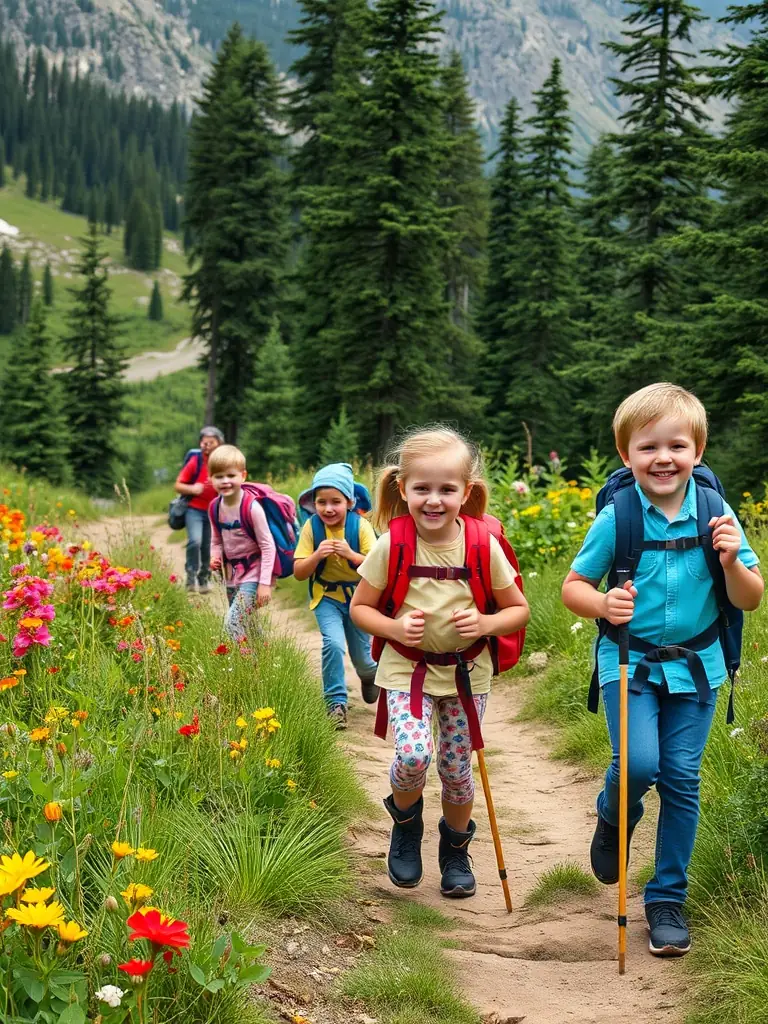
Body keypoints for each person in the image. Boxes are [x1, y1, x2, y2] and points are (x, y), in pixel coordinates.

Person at [562, 383, 763, 958]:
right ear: (627, 455)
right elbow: (573, 587)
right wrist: (602, 605)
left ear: (697, 450)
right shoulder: (618, 517)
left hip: (699, 666)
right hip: (627, 660)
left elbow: (749, 598)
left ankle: (666, 898)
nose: (664, 457)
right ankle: (613, 813)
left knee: (680, 778)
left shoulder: (718, 516)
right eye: (648, 447)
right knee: (639, 765)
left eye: (677, 445)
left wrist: (731, 560)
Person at [350, 427, 529, 899]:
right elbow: (361, 608)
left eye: (447, 489)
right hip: (405, 670)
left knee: (455, 769)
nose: (434, 500)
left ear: (465, 492)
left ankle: (454, 850)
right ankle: (406, 825)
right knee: (412, 755)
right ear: (403, 488)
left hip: (467, 674)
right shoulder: (393, 543)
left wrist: (486, 624)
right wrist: (392, 630)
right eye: (422, 488)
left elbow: (518, 609)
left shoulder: (480, 543)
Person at [294, 463, 378, 730]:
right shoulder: (311, 527)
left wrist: (351, 555)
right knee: (333, 643)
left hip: (359, 598)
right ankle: (335, 704)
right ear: (313, 503)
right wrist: (317, 554)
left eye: (335, 502)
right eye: (321, 502)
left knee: (364, 658)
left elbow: (378, 568)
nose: (328, 509)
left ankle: (368, 676)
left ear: (350, 502)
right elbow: (297, 571)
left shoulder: (361, 526)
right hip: (326, 596)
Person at [208, 445, 276, 641]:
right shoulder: (214, 507)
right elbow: (216, 540)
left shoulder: (252, 507)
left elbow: (267, 546)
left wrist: (264, 584)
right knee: (248, 623)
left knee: (232, 623)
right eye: (219, 476)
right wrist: (214, 556)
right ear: (211, 478)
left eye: (231, 475)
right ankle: (262, 660)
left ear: (243, 476)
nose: (225, 481)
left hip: (254, 573)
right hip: (232, 575)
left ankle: (243, 662)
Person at [174, 426, 224, 594]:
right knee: (195, 541)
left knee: (208, 547)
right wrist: (193, 489)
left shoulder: (223, 462)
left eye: (211, 442)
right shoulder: (196, 460)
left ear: (219, 444)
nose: (207, 445)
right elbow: (178, 485)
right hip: (194, 509)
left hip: (214, 511)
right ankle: (190, 578)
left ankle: (204, 579)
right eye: (204, 442)